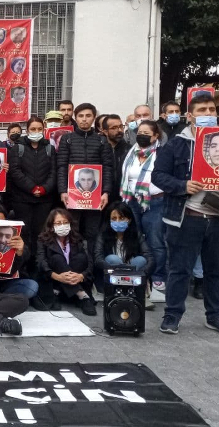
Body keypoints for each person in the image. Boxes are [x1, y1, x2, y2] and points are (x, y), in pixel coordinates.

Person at [152, 93, 219, 336]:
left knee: (216, 270)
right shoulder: (176, 144)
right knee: (179, 270)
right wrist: (182, 185)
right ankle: (172, 315)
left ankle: (216, 316)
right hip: (187, 217)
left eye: (211, 110)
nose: (208, 114)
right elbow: (158, 176)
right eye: (202, 110)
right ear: (190, 116)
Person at [56, 102, 114, 279]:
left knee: (93, 235)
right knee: (72, 233)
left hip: (95, 197)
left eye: (88, 116)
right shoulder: (67, 139)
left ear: (94, 118)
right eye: (80, 116)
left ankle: (92, 275)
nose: (84, 119)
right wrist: (62, 191)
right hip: (73, 196)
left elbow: (108, 167)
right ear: (76, 117)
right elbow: (61, 166)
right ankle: (72, 271)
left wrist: (106, 192)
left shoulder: (102, 140)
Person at [118, 119, 167, 292]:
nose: (142, 136)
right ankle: (137, 271)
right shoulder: (131, 152)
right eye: (139, 133)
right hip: (132, 201)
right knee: (134, 237)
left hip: (155, 201)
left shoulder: (162, 153)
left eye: (146, 133)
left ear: (155, 136)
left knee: (155, 240)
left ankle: (158, 276)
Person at [7, 116, 56, 272]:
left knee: (41, 234)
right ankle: (23, 266)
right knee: (24, 233)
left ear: (44, 130)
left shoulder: (50, 148)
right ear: (27, 131)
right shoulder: (18, 148)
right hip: (22, 199)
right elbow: (15, 171)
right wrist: (32, 188)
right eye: (33, 129)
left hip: (44, 200)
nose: (36, 132)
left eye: (39, 129)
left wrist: (44, 189)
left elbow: (54, 172)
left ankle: (39, 265)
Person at [36, 209, 96, 315]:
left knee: (81, 257)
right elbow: (40, 261)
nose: (62, 226)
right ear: (51, 226)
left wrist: (81, 276)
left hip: (77, 279)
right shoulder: (43, 239)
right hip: (54, 280)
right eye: (58, 223)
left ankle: (61, 292)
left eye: (65, 222)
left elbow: (90, 261)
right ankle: (81, 295)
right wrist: (57, 276)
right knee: (57, 258)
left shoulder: (78, 238)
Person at [94, 202, 154, 300]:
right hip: (113, 272)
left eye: (121, 218)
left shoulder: (136, 234)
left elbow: (149, 257)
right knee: (112, 259)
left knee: (141, 260)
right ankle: (117, 291)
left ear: (129, 219)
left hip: (133, 272)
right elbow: (98, 259)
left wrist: (142, 274)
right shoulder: (103, 234)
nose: (117, 221)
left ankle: (134, 291)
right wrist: (120, 270)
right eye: (114, 219)